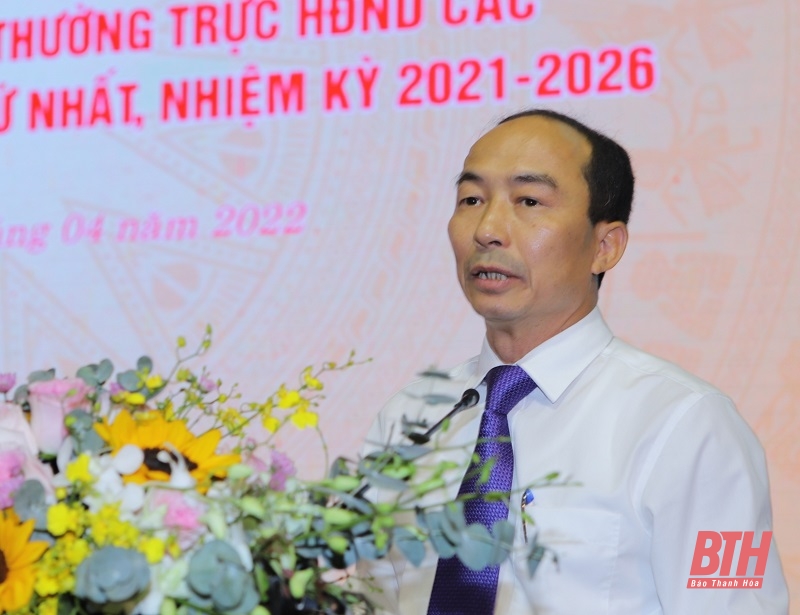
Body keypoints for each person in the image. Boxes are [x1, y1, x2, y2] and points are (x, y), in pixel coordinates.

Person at [361, 109, 789, 614]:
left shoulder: (684, 424)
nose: (488, 229)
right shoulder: (411, 417)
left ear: (604, 247)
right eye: (472, 199)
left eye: (529, 201)